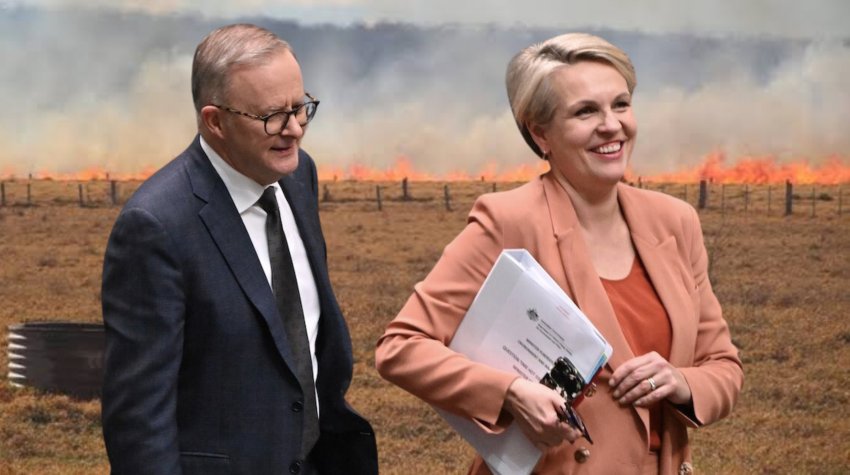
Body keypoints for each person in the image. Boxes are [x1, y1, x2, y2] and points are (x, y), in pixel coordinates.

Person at [375, 33, 742, 474]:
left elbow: (723, 367)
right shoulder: (507, 219)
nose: (612, 125)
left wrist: (681, 381)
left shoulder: (675, 222)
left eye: (620, 105)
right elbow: (401, 348)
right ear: (540, 132)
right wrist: (510, 392)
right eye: (586, 111)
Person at [101, 24, 378, 475]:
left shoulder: (297, 176)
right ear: (215, 121)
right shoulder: (155, 227)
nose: (294, 130)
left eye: (301, 108)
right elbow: (138, 423)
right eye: (272, 116)